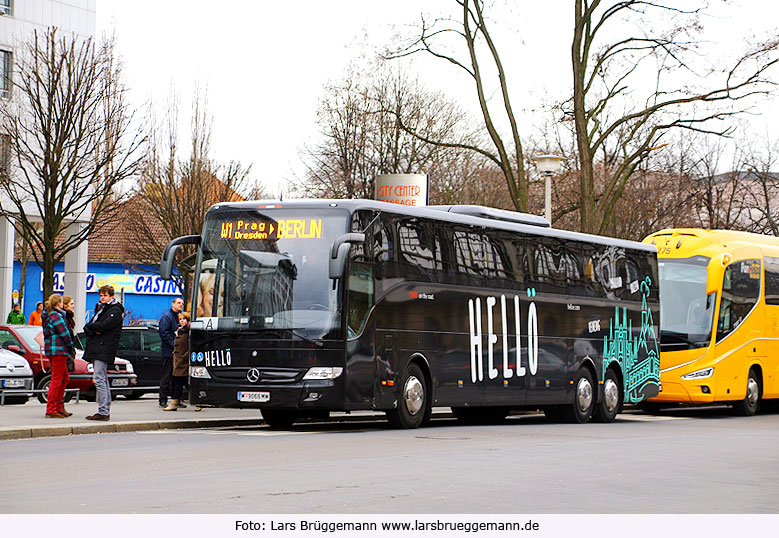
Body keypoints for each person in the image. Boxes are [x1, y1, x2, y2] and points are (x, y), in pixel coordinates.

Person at [82, 285, 124, 421]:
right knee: (102, 379)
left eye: (105, 295)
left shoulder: (115, 311)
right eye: (101, 295)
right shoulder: (100, 309)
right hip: (99, 347)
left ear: (111, 296)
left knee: (100, 378)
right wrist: (94, 329)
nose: (102, 298)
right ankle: (104, 409)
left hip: (104, 347)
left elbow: (104, 326)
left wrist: (93, 328)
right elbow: (89, 326)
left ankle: (103, 411)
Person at [41, 294, 74, 419]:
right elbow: (65, 333)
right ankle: (51, 409)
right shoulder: (56, 316)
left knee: (64, 378)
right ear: (59, 304)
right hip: (59, 350)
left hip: (52, 350)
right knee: (57, 379)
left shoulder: (48, 315)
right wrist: (70, 347)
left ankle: (59, 407)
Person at [158, 297, 184, 408]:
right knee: (166, 377)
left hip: (177, 353)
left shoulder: (179, 317)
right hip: (170, 353)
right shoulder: (167, 317)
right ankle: (162, 400)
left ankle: (176, 399)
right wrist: (174, 346)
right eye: (178, 303)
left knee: (177, 377)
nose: (181, 305)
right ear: (173, 304)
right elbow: (164, 334)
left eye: (182, 303)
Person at [164, 311, 190, 411]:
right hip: (178, 361)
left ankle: (174, 403)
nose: (182, 321)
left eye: (183, 319)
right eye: (180, 319)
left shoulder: (188, 331)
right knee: (184, 383)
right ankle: (199, 400)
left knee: (179, 381)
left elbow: (190, 346)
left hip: (183, 361)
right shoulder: (179, 330)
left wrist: (184, 357)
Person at [62, 296, 77, 374]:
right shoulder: (64, 317)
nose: (73, 306)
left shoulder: (68, 317)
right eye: (71, 303)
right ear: (65, 305)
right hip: (65, 349)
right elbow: (65, 334)